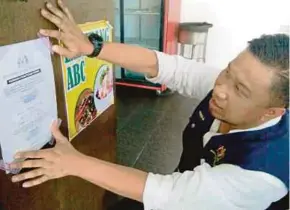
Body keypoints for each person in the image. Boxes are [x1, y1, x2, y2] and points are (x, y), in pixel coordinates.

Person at [9, 1, 289, 209]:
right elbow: (165, 66)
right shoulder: (223, 86)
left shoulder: (261, 173)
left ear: (272, 112)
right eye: (229, 70)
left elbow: (169, 195)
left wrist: (73, 163)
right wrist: (91, 48)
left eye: (239, 89)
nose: (220, 88)